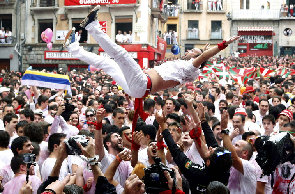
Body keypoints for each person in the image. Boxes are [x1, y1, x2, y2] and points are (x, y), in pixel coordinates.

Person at [65, 5, 239, 98]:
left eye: (193, 51)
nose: (189, 51)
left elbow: (204, 57)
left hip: (142, 84)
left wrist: (222, 45)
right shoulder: (185, 66)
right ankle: (73, 48)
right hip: (138, 88)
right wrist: (205, 51)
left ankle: (92, 26)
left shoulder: (191, 68)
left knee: (121, 55)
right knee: (108, 63)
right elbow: (203, 55)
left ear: (196, 57)